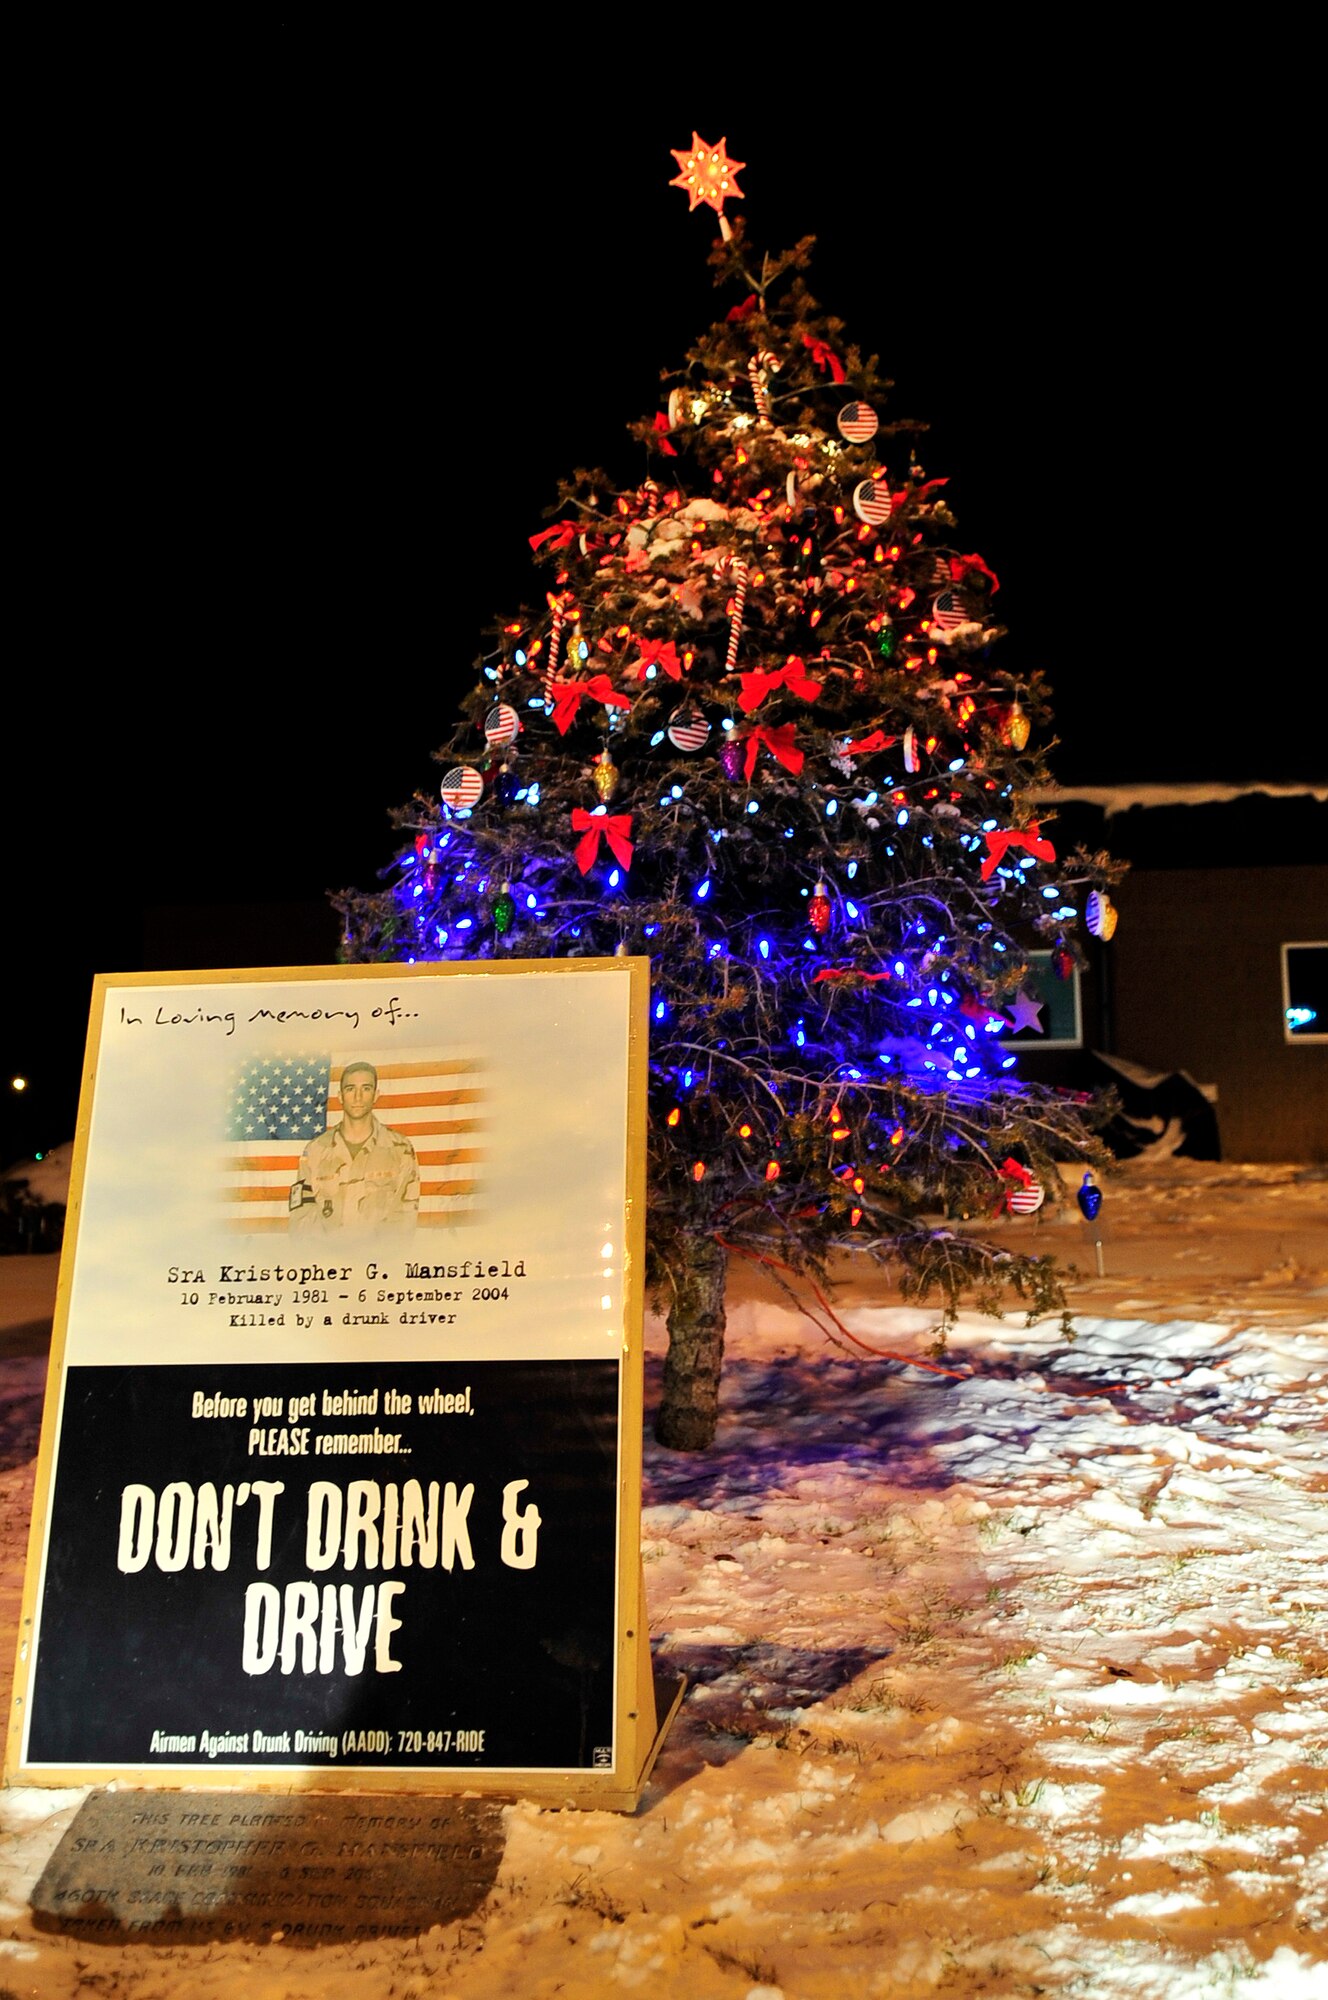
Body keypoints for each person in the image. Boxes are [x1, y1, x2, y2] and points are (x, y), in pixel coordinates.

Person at [289, 1061, 419, 1232]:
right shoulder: (315, 1150)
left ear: (376, 1095)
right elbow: (301, 1218)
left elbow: (404, 1220)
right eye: (350, 1089)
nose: (358, 1097)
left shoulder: (401, 1149)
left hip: (380, 1257)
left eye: (366, 1088)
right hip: (326, 1256)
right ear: (340, 1096)